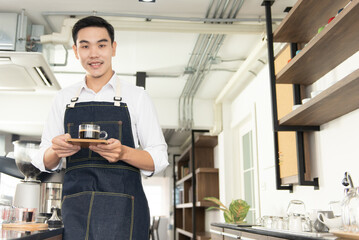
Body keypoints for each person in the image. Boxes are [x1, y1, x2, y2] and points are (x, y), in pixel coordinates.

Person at [32, 16, 168, 239]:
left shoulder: (137, 97)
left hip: (125, 211)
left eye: (101, 45)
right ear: (76, 51)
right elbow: (43, 161)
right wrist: (56, 151)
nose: (93, 54)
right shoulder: (63, 98)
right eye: (85, 46)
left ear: (113, 48)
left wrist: (123, 152)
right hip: (76, 211)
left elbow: (159, 158)